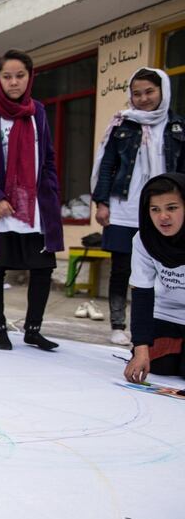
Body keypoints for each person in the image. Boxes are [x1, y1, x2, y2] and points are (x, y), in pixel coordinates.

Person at [0, 49, 64, 351]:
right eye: (7, 76)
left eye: (20, 75)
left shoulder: (39, 113)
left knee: (43, 267)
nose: (14, 82)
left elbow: (47, 159)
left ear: (30, 77)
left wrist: (51, 195)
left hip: (34, 207)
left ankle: (33, 330)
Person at [92, 68, 185, 346]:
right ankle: (118, 324)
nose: (143, 99)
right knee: (121, 267)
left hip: (162, 208)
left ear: (163, 92)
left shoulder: (177, 126)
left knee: (163, 269)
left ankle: (151, 327)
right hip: (125, 205)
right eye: (137, 93)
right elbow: (107, 166)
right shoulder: (123, 124)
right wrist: (102, 202)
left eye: (149, 92)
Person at [124, 173, 185, 383]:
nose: (163, 217)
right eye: (155, 209)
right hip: (165, 315)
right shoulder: (144, 240)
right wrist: (140, 351)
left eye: (172, 208)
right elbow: (142, 294)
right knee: (157, 364)